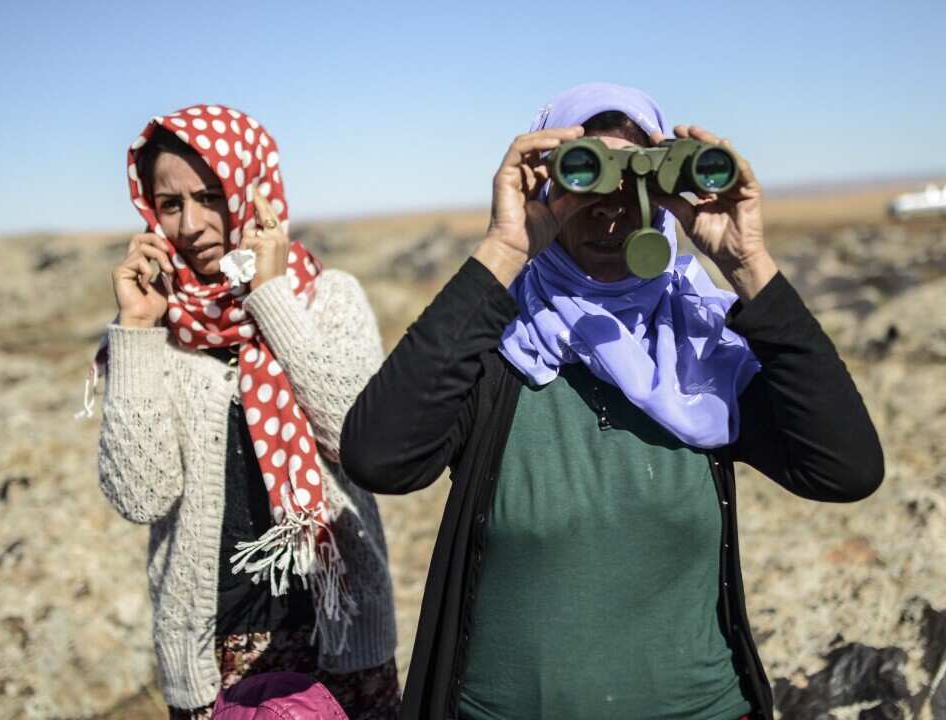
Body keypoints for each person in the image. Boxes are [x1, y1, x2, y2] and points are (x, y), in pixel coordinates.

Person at [340, 83, 884, 719]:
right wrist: (505, 249)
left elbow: (845, 469)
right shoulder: (501, 348)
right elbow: (380, 458)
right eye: (586, 181)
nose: (609, 212)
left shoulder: (696, 352)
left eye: (635, 185)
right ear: (543, 188)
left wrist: (749, 265)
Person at [93, 104, 399, 719]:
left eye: (211, 196)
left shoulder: (327, 299)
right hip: (215, 651)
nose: (192, 224)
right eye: (170, 203)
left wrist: (271, 299)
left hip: (338, 635)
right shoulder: (156, 329)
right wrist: (136, 331)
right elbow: (141, 496)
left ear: (254, 193)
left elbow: (360, 441)